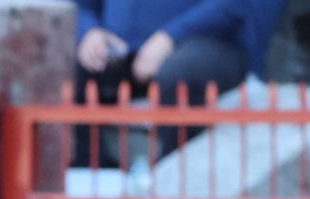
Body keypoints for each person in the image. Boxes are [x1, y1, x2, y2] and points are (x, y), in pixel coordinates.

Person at [73, 0, 287, 160]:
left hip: (212, 41)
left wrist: (170, 37)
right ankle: (90, 177)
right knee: (59, 70)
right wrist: (90, 31)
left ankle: (174, 189)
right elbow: (83, 5)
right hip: (121, 48)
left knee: (180, 76)